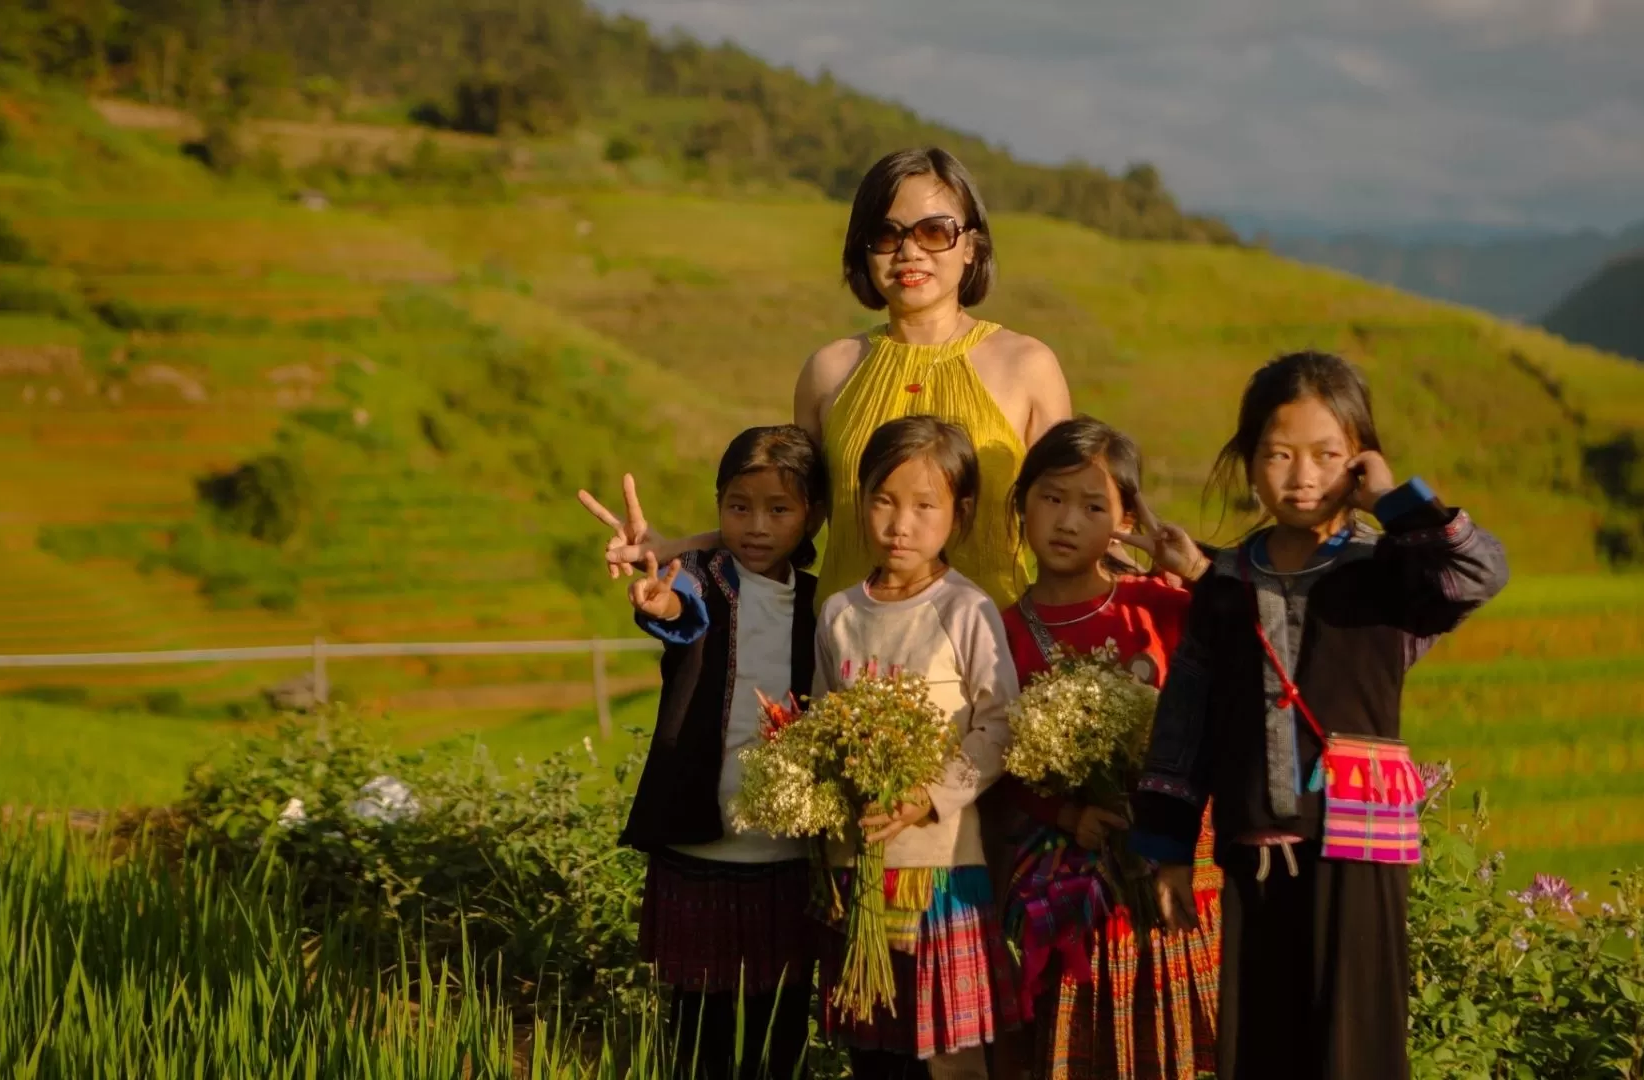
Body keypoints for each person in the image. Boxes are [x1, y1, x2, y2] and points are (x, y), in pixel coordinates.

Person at [1126, 352, 1510, 1080]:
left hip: (1358, 857)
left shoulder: (1389, 571)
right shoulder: (1228, 582)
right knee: (1260, 1049)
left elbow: (1479, 575)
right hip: (1252, 855)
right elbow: (1186, 720)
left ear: (1359, 460)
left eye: (1327, 455)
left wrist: (1395, 502)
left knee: (1354, 1051)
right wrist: (1170, 850)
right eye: (1279, 454)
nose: (1302, 475)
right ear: (1248, 463)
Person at [594, 147, 1073, 610]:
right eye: (886, 235)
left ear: (971, 245)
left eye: (933, 231)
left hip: (994, 658)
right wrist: (673, 547)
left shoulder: (1027, 366)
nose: (909, 251)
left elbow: (1068, 520)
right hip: (851, 657)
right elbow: (793, 519)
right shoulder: (829, 371)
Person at [598, 425, 828, 1080]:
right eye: (738, 506)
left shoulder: (824, 603)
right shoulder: (699, 578)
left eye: (778, 509)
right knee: (699, 1038)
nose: (755, 525)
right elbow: (679, 609)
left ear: (812, 514)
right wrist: (658, 597)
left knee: (779, 1036)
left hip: (786, 853)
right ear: (718, 505)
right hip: (700, 846)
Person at [995, 417, 1221, 1080]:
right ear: (1022, 505)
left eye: (1095, 507)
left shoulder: (1161, 605)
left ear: (1125, 522)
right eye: (1052, 499)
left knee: (1182, 1047)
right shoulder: (1001, 630)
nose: (1068, 521)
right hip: (1074, 884)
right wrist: (1067, 817)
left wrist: (1197, 570)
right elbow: (998, 759)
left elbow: (1251, 637)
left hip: (1180, 877)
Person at [812, 415, 1022, 1079]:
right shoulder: (840, 614)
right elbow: (820, 723)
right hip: (858, 868)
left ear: (958, 517)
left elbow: (1001, 723)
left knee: (951, 1059)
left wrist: (927, 795)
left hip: (941, 870)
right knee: (874, 1055)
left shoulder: (965, 609)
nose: (901, 524)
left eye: (924, 506)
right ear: (859, 501)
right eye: (884, 500)